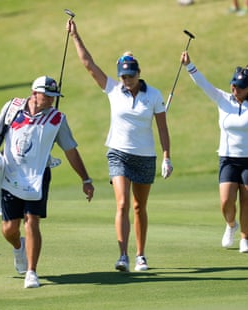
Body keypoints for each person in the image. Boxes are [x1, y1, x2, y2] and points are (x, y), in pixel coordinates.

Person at [0, 75, 95, 288]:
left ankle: (31, 272)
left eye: (54, 96)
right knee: (9, 229)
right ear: (35, 93)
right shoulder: (12, 107)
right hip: (10, 173)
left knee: (32, 220)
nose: (52, 100)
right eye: (48, 96)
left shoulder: (57, 119)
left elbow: (71, 151)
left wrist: (86, 179)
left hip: (38, 175)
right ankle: (19, 248)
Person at [66, 20, 173, 272]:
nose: (126, 80)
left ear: (138, 73)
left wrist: (167, 156)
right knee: (122, 203)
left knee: (139, 207)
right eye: (123, 76)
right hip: (118, 153)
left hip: (145, 156)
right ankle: (123, 255)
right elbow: (88, 65)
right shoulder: (113, 89)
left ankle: (141, 255)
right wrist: (75, 36)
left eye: (130, 76)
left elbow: (162, 128)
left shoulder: (154, 95)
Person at [180, 51, 248, 253]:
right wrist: (189, 65)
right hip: (227, 158)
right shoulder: (223, 99)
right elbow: (203, 84)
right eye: (233, 85)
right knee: (226, 201)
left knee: (247, 201)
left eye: (240, 87)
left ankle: (245, 239)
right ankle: (231, 224)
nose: (235, 89)